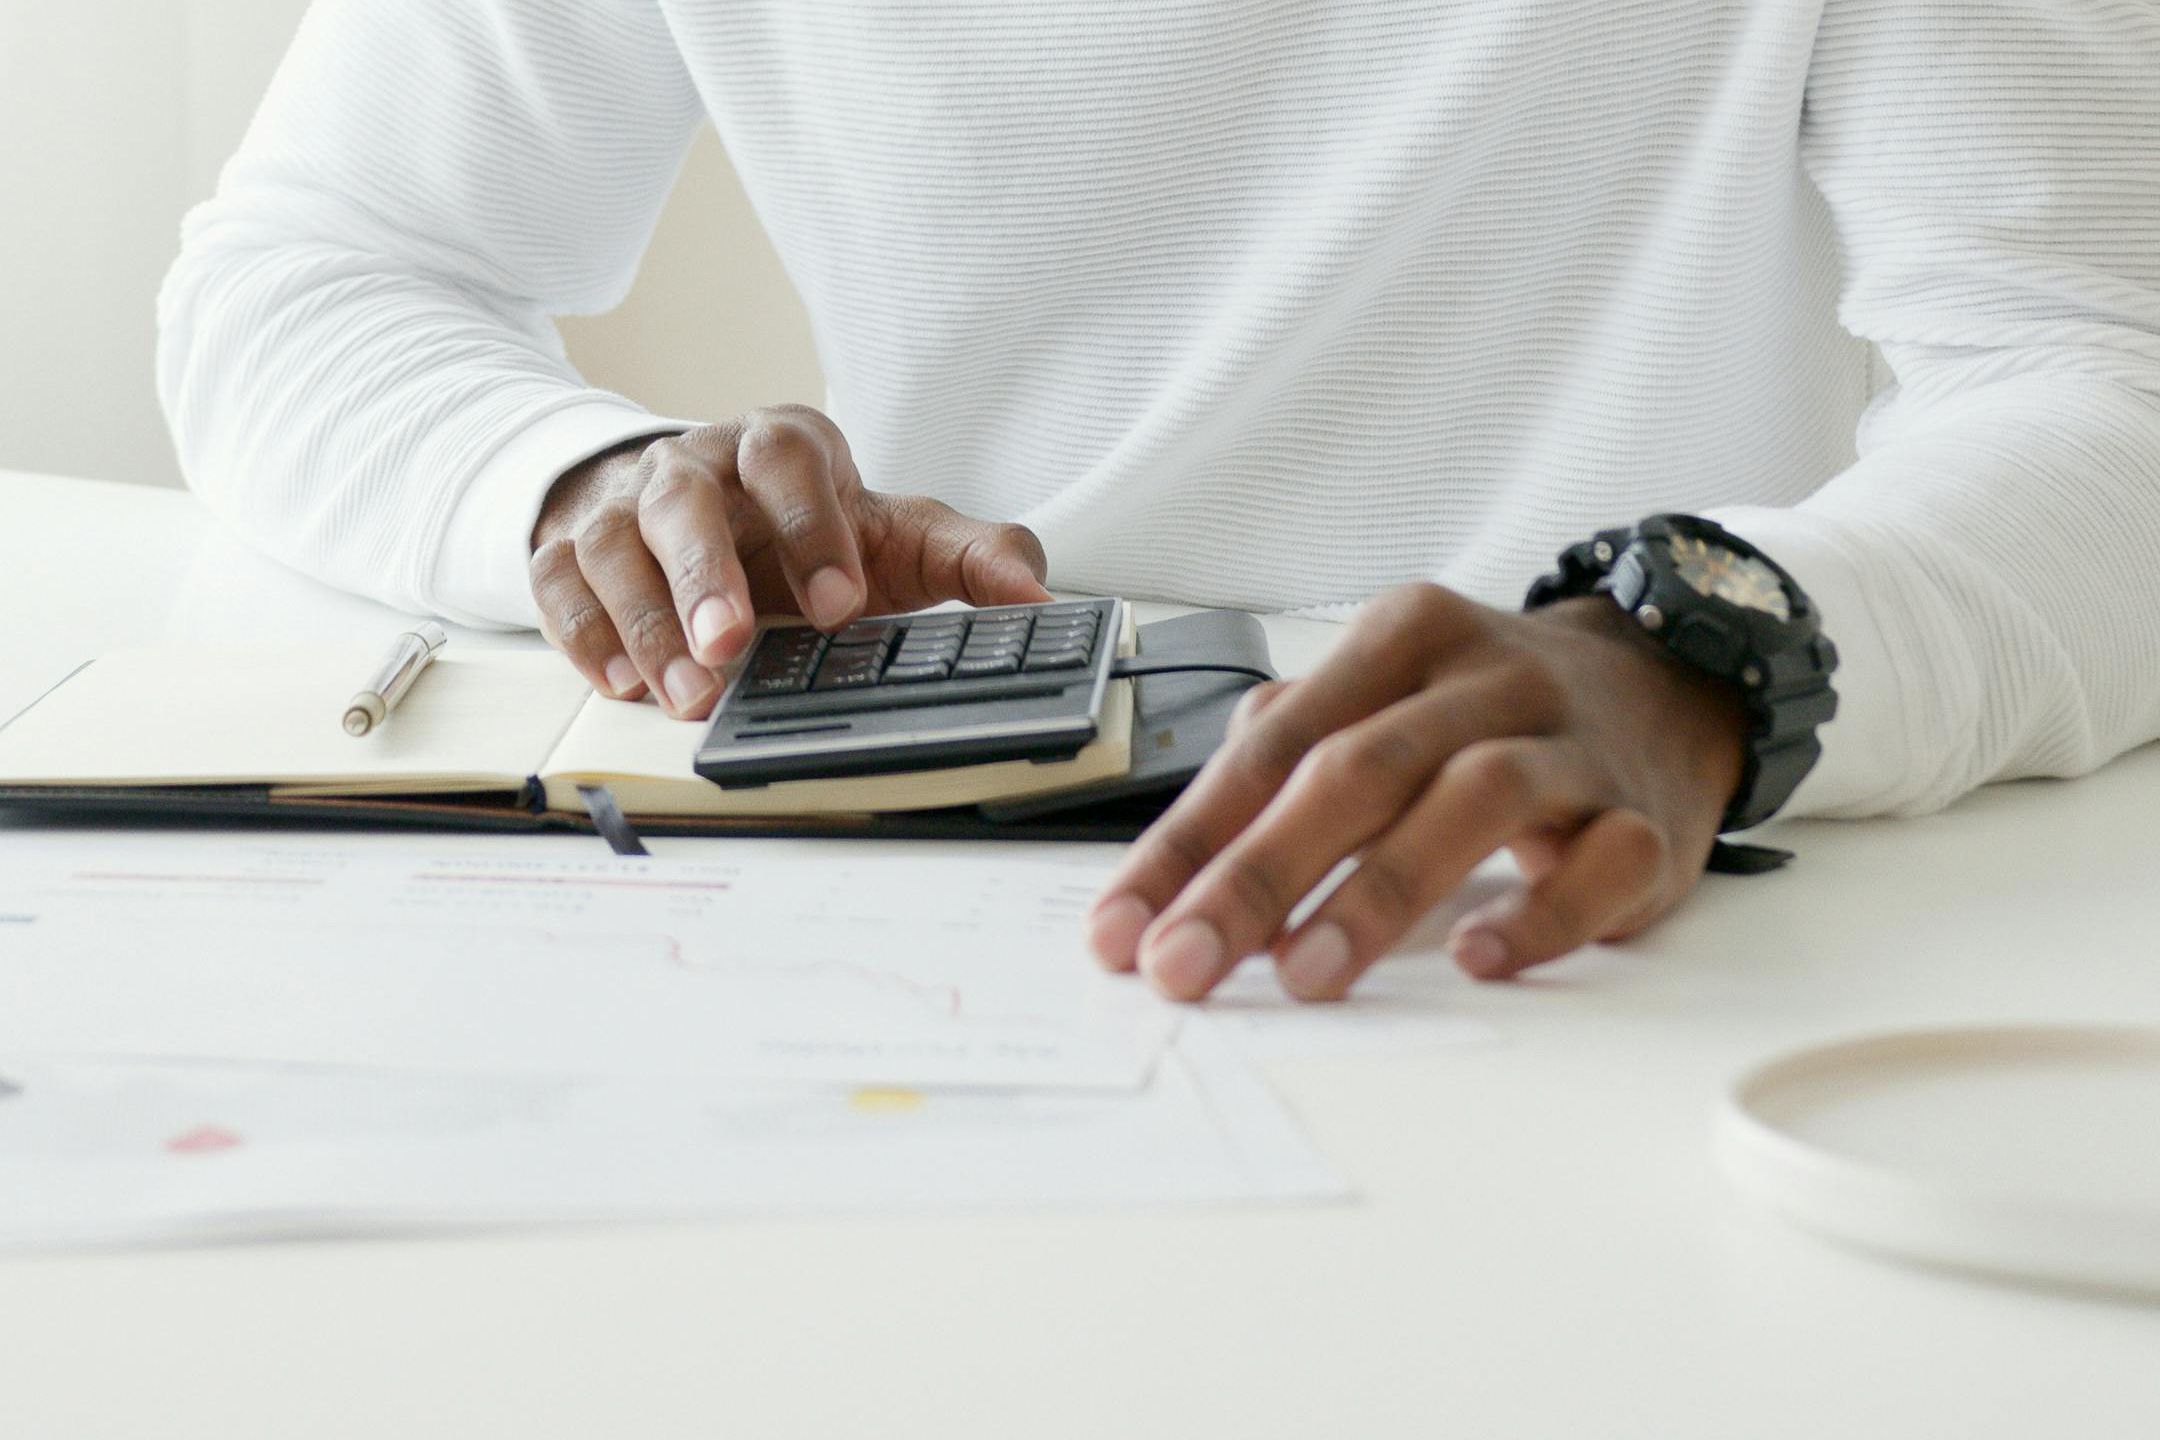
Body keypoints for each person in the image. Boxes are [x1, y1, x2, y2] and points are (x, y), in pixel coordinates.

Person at [159, 1, 2160, 1002]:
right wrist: (581, 483)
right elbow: (311, 271)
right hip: (887, 887)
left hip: (1620, 900)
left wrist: (1699, 646)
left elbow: (2105, 368)